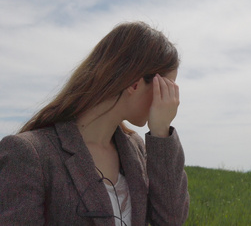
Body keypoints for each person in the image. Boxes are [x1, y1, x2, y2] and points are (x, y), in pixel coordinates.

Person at [0, 22, 189, 225]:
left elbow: (171, 220)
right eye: (166, 88)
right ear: (135, 83)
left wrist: (161, 133)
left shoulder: (135, 150)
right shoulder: (29, 153)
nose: (171, 100)